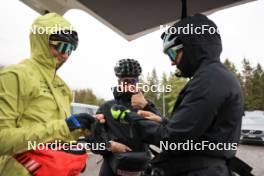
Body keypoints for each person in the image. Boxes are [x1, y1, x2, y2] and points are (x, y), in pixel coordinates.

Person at [111, 14, 244, 176]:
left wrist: (129, 117)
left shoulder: (208, 81)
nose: (172, 62)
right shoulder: (216, 76)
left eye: (173, 54)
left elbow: (172, 140)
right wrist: (162, 121)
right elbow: (196, 130)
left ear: (192, 47)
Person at [0, 13, 96, 176]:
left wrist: (83, 130)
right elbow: (2, 140)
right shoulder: (14, 76)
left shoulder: (62, 87)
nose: (65, 55)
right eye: (61, 46)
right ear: (41, 42)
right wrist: (66, 125)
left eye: (70, 49)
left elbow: (58, 135)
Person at [92, 59, 161, 176]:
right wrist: (110, 146)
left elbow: (163, 131)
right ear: (119, 82)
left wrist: (147, 106)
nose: (129, 85)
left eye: (133, 81)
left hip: (140, 166)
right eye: (125, 81)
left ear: (137, 82)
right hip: (112, 167)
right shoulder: (106, 107)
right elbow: (94, 143)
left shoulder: (146, 105)